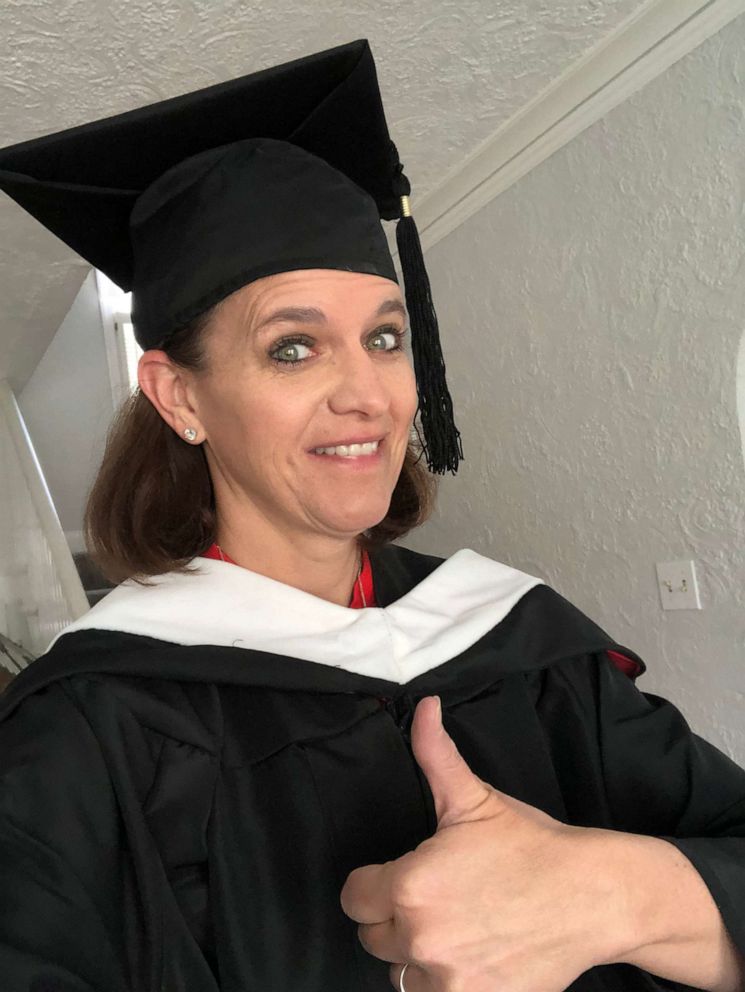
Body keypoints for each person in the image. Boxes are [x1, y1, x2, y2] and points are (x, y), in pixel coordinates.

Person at [0, 38, 743, 992]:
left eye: (385, 338)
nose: (369, 394)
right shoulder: (87, 725)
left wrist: (622, 894)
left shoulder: (522, 642)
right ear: (179, 398)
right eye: (293, 349)